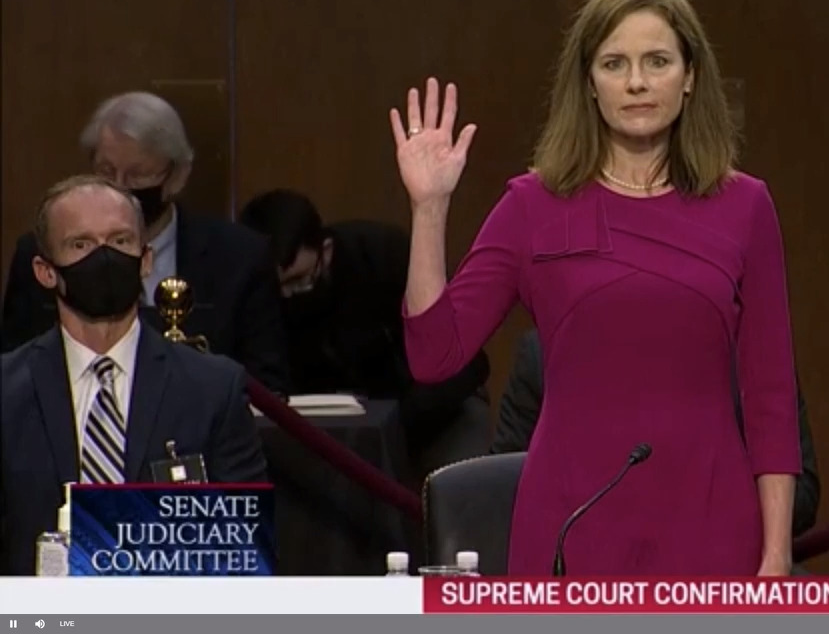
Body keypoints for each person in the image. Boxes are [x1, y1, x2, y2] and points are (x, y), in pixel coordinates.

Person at [394, 0, 801, 575]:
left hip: (712, 521)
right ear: (588, 82)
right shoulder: (533, 206)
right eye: (615, 63)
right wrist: (429, 209)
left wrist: (776, 551)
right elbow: (434, 354)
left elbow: (771, 397)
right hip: (570, 522)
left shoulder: (745, 206)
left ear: (690, 78)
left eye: (657, 61)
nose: (636, 81)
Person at [0, 176, 267, 575]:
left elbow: (246, 551)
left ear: (145, 261)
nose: (104, 256)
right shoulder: (7, 392)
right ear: (44, 271)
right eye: (81, 244)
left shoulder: (213, 389)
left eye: (120, 241)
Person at [1, 92, 291, 394]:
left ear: (176, 176)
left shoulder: (240, 258)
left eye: (137, 175)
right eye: (106, 171)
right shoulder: (40, 253)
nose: (119, 187)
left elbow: (267, 387)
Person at [238, 188, 492, 472]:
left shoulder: (382, 253)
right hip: (326, 430)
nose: (289, 296)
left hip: (432, 409)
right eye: (278, 288)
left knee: (459, 473)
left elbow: (463, 360)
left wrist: (394, 425)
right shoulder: (256, 292)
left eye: (299, 280)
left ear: (326, 251)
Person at [492, 328, 822, 536]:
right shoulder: (544, 355)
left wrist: (703, 498)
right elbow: (500, 494)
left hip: (716, 574)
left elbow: (803, 496)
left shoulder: (753, 355)